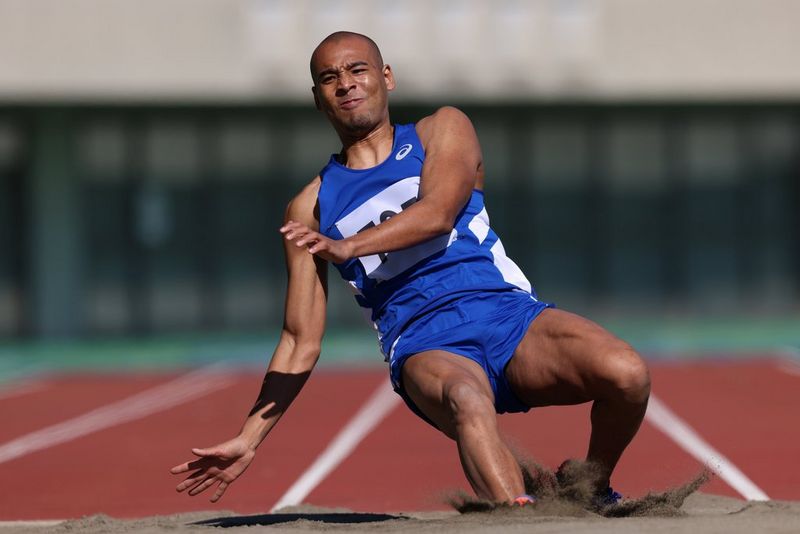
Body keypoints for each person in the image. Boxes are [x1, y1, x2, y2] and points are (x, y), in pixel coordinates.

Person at [170, 31, 650, 507]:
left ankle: (592, 488)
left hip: (508, 318)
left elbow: (439, 212)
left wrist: (348, 246)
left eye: (358, 69)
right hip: (426, 345)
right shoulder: (310, 209)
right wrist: (248, 438)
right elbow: (300, 340)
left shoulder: (440, 129)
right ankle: (517, 517)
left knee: (627, 374)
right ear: (318, 98)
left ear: (386, 77)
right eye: (329, 78)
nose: (346, 84)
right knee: (467, 398)